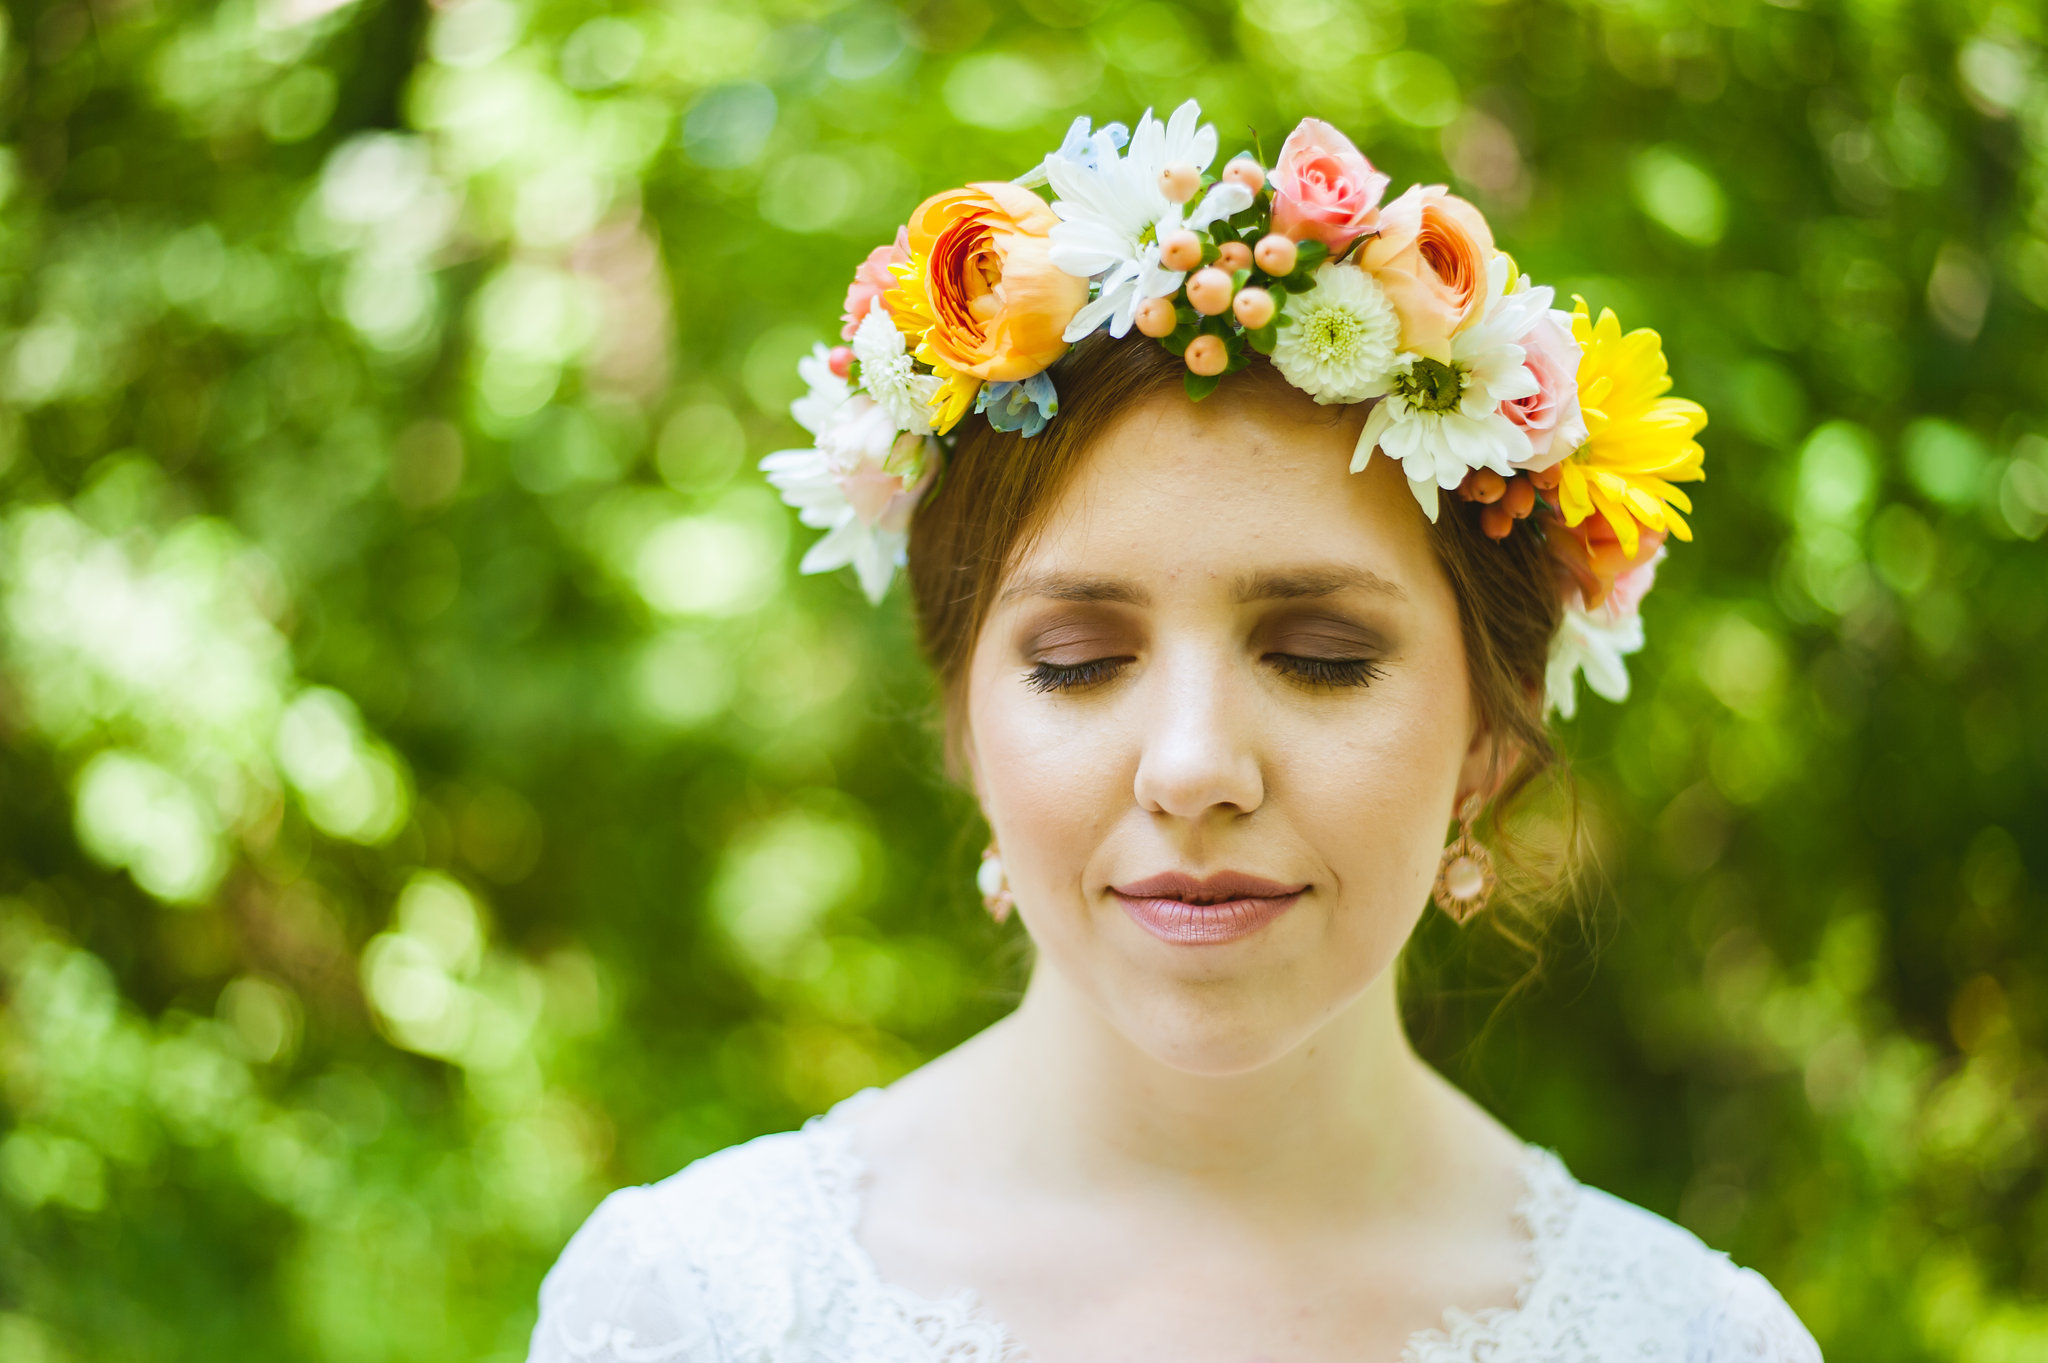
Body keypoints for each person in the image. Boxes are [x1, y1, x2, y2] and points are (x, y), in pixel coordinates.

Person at [525, 102, 1822, 1362]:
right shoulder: (695, 1311)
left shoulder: (1694, 1342)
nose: (1195, 765)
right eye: (1080, 663)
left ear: (1490, 736)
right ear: (966, 729)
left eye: (1321, 659)